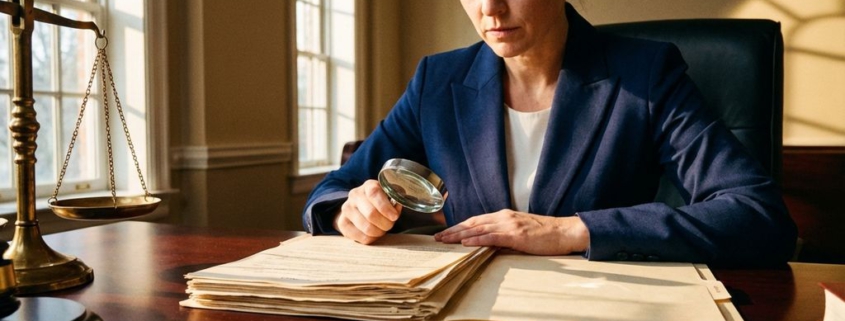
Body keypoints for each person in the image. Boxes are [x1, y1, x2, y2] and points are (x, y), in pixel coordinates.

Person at [303, 0, 797, 266]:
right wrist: (351, 211)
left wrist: (569, 230)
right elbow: (333, 190)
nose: (490, 9)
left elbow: (757, 216)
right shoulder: (438, 80)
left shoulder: (646, 75)